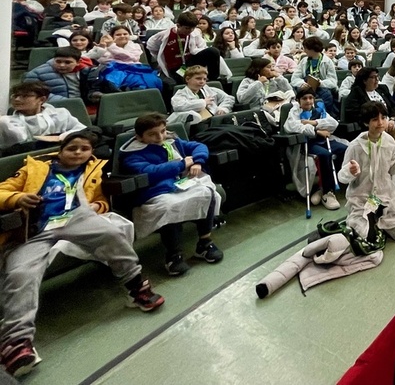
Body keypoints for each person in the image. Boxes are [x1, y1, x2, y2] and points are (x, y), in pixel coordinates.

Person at [0, 132, 164, 377]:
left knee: (112, 235)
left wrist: (100, 207)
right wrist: (18, 198)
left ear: (91, 153)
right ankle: (16, 342)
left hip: (77, 217)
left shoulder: (94, 169)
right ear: (61, 150)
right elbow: (2, 191)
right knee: (21, 272)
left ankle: (135, 286)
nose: (78, 153)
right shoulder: (34, 168)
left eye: (84, 149)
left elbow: (101, 199)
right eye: (72, 148)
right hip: (37, 227)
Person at [120, 114, 223, 275]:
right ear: (139, 137)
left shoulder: (172, 141)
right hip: (155, 192)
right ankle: (174, 255)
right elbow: (151, 172)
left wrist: (197, 160)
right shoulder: (132, 154)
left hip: (180, 184)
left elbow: (199, 146)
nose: (160, 137)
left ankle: (204, 242)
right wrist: (182, 163)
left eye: (162, 131)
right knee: (170, 207)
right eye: (152, 134)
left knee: (206, 192)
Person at [337, 102, 395, 241]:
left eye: (383, 118)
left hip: (387, 194)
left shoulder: (389, 142)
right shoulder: (355, 146)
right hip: (363, 196)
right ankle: (371, 221)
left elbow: (393, 170)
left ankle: (377, 221)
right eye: (375, 119)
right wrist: (350, 171)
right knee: (362, 235)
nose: (380, 123)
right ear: (366, 122)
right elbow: (341, 177)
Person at [285, 89, 345, 210]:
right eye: (305, 98)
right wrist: (317, 131)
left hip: (325, 140)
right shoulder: (294, 111)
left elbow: (333, 124)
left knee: (344, 149)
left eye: (311, 98)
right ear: (298, 100)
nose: (308, 101)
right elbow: (292, 126)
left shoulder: (318, 109)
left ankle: (324, 187)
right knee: (325, 155)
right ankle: (328, 193)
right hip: (309, 143)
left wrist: (312, 122)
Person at [0, 82, 89, 154]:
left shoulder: (60, 113)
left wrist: (62, 136)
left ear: (42, 100)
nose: (17, 99)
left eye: (25, 96)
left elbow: (82, 130)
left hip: (63, 153)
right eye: (15, 96)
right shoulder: (8, 122)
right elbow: (19, 146)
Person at [146, 12, 222, 84]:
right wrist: (160, 56)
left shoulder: (194, 33)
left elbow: (203, 47)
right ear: (178, 25)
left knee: (213, 51)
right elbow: (150, 45)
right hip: (175, 67)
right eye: (187, 28)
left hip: (189, 62)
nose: (190, 30)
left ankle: (212, 79)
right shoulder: (165, 35)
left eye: (193, 28)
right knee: (185, 81)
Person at [342, 67, 395, 149]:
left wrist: (392, 119)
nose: (377, 79)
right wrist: (378, 124)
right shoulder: (356, 93)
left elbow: (394, 107)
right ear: (364, 80)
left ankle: (394, 158)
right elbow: (355, 115)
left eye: (377, 76)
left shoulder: (383, 89)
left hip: (388, 126)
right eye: (373, 77)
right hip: (370, 129)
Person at [168, 66, 234, 126]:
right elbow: (178, 106)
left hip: (215, 122)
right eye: (198, 78)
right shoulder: (181, 94)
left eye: (204, 79)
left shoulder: (209, 90)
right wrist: (203, 102)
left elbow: (229, 98)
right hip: (197, 126)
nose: (202, 82)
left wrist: (223, 108)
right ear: (187, 79)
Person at [290, 37, 339, 113]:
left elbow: (333, 81)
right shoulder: (304, 61)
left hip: (322, 88)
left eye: (306, 48)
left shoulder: (327, 62)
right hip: (306, 87)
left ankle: (324, 115)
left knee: (326, 95)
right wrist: (302, 83)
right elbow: (295, 78)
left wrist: (321, 83)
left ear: (312, 49)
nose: (304, 51)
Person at [22, 48, 88, 103]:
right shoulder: (36, 74)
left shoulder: (86, 71)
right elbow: (31, 93)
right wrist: (66, 102)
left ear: (78, 62)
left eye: (67, 62)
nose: (62, 65)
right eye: (58, 62)